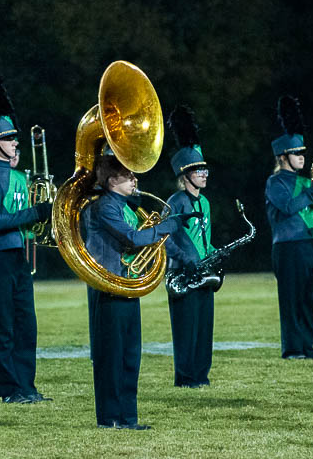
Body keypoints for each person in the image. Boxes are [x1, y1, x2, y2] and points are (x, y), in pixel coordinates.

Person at [84, 154, 199, 429]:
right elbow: (133, 239)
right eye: (128, 175)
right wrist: (167, 226)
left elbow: (153, 241)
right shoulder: (103, 208)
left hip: (129, 287)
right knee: (111, 358)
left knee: (130, 356)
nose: (135, 180)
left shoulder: (128, 208)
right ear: (112, 181)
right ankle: (110, 418)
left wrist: (185, 258)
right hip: (110, 288)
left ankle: (128, 417)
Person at [0, 71, 51, 404]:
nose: (15, 142)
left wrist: (48, 218)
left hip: (18, 255)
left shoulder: (19, 177)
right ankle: (8, 389)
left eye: (14, 137)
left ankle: (27, 386)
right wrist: (35, 213)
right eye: (8, 138)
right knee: (1, 326)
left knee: (25, 324)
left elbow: (24, 222)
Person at [265, 95, 313, 360]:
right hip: (288, 246)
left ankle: (307, 347)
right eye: (296, 153)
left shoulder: (306, 182)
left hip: (310, 243)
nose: (303, 157)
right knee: (291, 300)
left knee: (309, 299)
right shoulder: (275, 182)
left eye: (303, 152)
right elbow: (288, 208)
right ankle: (292, 348)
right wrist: (312, 192)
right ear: (283, 157)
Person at [164, 105, 216, 387]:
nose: (204, 174)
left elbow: (204, 237)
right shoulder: (175, 202)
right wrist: (186, 259)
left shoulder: (205, 202)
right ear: (185, 175)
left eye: (205, 169)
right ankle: (185, 377)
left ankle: (201, 375)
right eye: (199, 170)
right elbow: (166, 239)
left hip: (203, 272)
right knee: (186, 329)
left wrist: (212, 254)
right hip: (183, 274)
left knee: (204, 327)